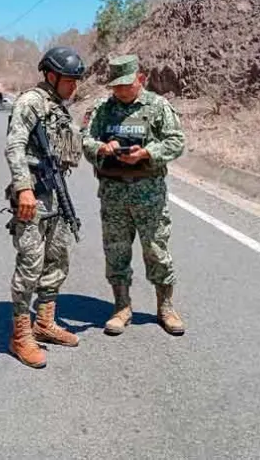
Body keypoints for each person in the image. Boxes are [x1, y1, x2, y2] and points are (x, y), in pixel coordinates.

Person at [80, 54, 187, 337]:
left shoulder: (158, 107)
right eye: (116, 86)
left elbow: (177, 141)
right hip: (113, 195)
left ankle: (165, 307)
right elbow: (85, 140)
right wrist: (102, 148)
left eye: (126, 85)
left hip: (149, 195)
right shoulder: (102, 109)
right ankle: (121, 306)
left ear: (139, 79)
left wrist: (148, 153)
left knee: (156, 250)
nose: (121, 91)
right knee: (116, 251)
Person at [2, 46, 87, 369]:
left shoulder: (58, 106)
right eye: (69, 80)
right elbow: (14, 145)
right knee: (30, 264)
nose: (74, 86)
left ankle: (45, 323)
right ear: (51, 76)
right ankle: (20, 335)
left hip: (56, 194)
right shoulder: (30, 102)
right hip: (34, 196)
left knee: (58, 258)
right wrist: (23, 187)